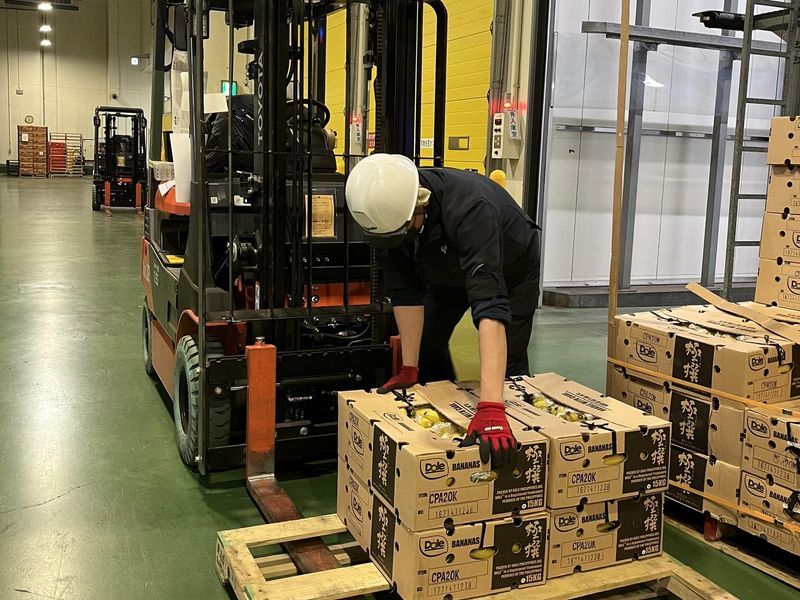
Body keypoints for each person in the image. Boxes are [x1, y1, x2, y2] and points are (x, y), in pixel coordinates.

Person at [345, 154, 541, 467]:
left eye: (404, 232)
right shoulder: (387, 218)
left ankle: (517, 439)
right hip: (446, 267)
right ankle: (449, 431)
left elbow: (490, 305)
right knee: (428, 346)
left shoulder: (471, 209)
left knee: (510, 363)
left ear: (420, 204)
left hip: (509, 267)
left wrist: (491, 407)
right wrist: (410, 368)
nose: (398, 241)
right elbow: (405, 294)